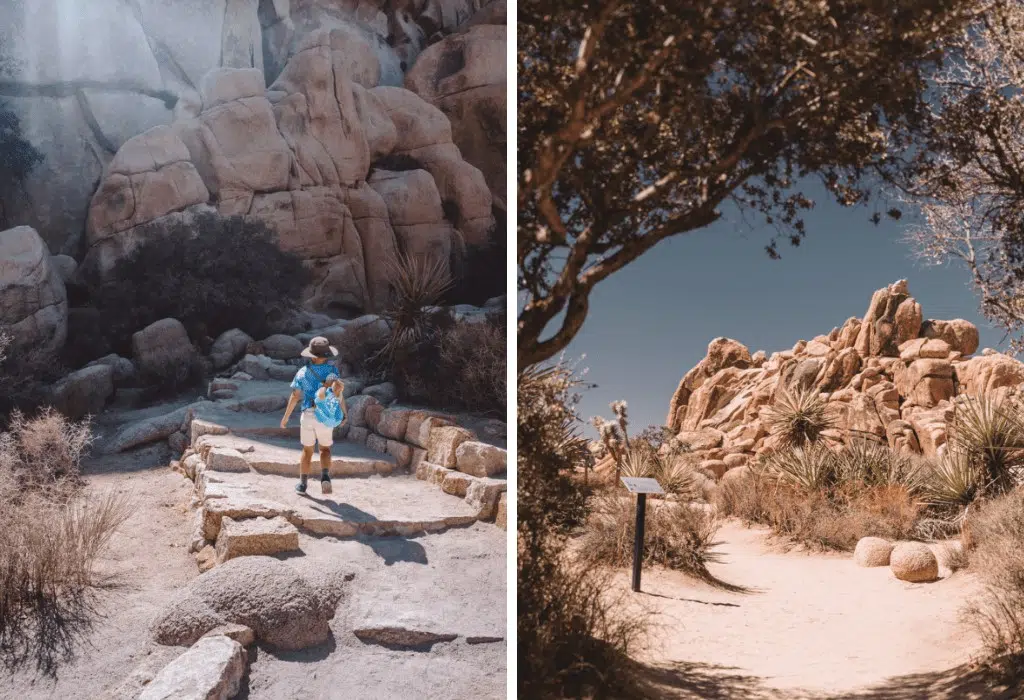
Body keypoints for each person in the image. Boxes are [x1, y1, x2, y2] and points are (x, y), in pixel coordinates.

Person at [280, 336, 348, 494]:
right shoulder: (333, 371)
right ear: (326, 355)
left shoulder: (302, 372)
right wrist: (344, 413)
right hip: (325, 415)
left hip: (309, 414)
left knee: (307, 450)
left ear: (311, 355)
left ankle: (303, 485)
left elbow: (295, 396)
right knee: (325, 449)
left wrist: (286, 417)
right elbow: (339, 394)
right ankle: (325, 477)